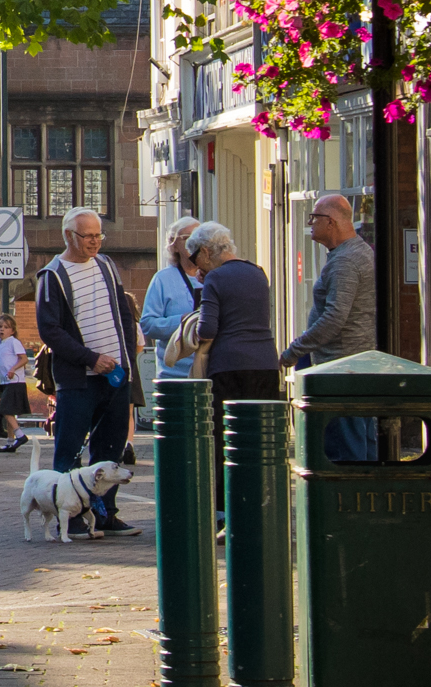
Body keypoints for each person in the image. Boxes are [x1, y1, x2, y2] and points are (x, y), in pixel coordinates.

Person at [35, 209, 141, 537]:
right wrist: (90, 358)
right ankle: (71, 519)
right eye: (87, 236)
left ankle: (105, 513)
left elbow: (123, 315)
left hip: (115, 376)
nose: (94, 242)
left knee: (110, 449)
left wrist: (126, 362)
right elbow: (50, 331)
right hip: (79, 380)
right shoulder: (51, 276)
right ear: (69, 236)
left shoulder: (107, 266)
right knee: (69, 451)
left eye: (98, 236)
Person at [286, 194, 377, 462]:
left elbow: (335, 316)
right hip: (355, 364)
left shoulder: (345, 261)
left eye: (314, 218)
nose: (310, 223)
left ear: (331, 222)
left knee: (344, 451)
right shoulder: (355, 252)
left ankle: (347, 501)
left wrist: (296, 349)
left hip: (341, 367)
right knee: (359, 442)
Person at [186, 221, 281, 415]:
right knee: (259, 432)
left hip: (229, 365)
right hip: (266, 362)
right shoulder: (258, 272)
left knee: (229, 435)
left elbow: (207, 330)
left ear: (205, 251)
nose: (195, 265)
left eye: (195, 258)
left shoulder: (215, 278)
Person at [140, 217, 204, 391]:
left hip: (209, 374)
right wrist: (183, 321)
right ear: (174, 245)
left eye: (198, 236)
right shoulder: (163, 279)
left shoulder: (215, 277)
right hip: (175, 376)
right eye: (186, 237)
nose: (193, 242)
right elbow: (147, 324)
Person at [0, 323, 30, 451]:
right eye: (0, 326)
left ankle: (20, 435)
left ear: (12, 331)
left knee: (5, 409)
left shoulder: (13, 342)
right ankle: (10, 443)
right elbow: (0, 362)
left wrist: (13, 369)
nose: (2, 329)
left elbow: (23, 359)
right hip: (5, 381)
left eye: (6, 327)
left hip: (15, 381)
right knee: (9, 412)